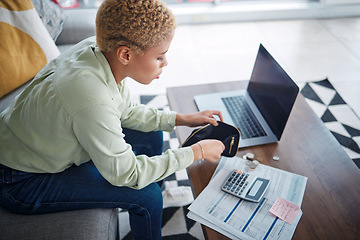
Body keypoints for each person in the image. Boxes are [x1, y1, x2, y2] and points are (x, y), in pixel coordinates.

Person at [0, 0, 225, 239]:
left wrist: (181, 118)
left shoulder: (95, 51)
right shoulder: (91, 98)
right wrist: (196, 152)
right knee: (147, 195)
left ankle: (154, 199)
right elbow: (126, 174)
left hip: (33, 145)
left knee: (152, 134)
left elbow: (124, 111)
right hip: (20, 180)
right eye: (160, 57)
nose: (165, 64)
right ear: (125, 54)